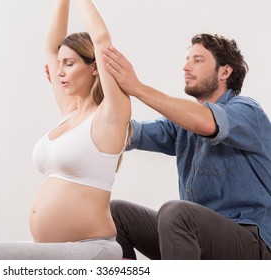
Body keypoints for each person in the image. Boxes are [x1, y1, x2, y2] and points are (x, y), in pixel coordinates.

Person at [0, 0, 130, 260]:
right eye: (59, 64)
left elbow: (101, 38)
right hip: (52, 247)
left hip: (93, 248)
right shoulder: (70, 112)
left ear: (95, 67)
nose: (58, 72)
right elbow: (51, 47)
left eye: (69, 64)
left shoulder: (110, 116)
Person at [102, 33, 271, 260]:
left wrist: (137, 88)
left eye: (197, 60)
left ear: (225, 72)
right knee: (116, 214)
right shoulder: (182, 125)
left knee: (176, 212)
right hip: (195, 236)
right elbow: (124, 132)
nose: (185, 66)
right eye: (187, 59)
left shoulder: (247, 111)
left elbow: (205, 121)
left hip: (251, 244)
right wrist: (84, 94)